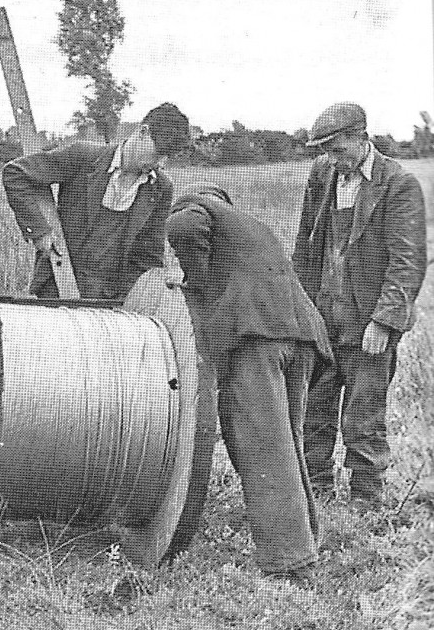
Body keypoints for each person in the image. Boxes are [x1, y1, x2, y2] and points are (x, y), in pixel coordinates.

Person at [167, 184, 333, 585]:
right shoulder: (250, 227)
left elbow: (184, 226)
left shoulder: (194, 208)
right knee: (288, 444)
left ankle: (289, 562)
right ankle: (307, 540)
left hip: (257, 339)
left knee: (263, 449)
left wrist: (195, 281)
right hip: (302, 338)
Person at [292, 102, 428, 509]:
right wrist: (300, 309)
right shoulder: (324, 175)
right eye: (325, 151)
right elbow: (306, 245)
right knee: (313, 411)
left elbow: (407, 262)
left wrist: (384, 323)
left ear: (360, 137)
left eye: (336, 148)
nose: (332, 159)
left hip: (367, 324)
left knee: (363, 419)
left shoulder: (398, 184)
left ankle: (366, 500)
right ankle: (315, 491)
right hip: (322, 317)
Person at [2, 102, 189, 299]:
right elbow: (15, 173)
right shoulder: (83, 156)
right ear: (143, 132)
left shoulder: (160, 187)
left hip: (112, 302)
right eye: (158, 153)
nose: (160, 163)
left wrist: (129, 301)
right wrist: (39, 231)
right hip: (57, 287)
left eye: (167, 157)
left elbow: (148, 256)